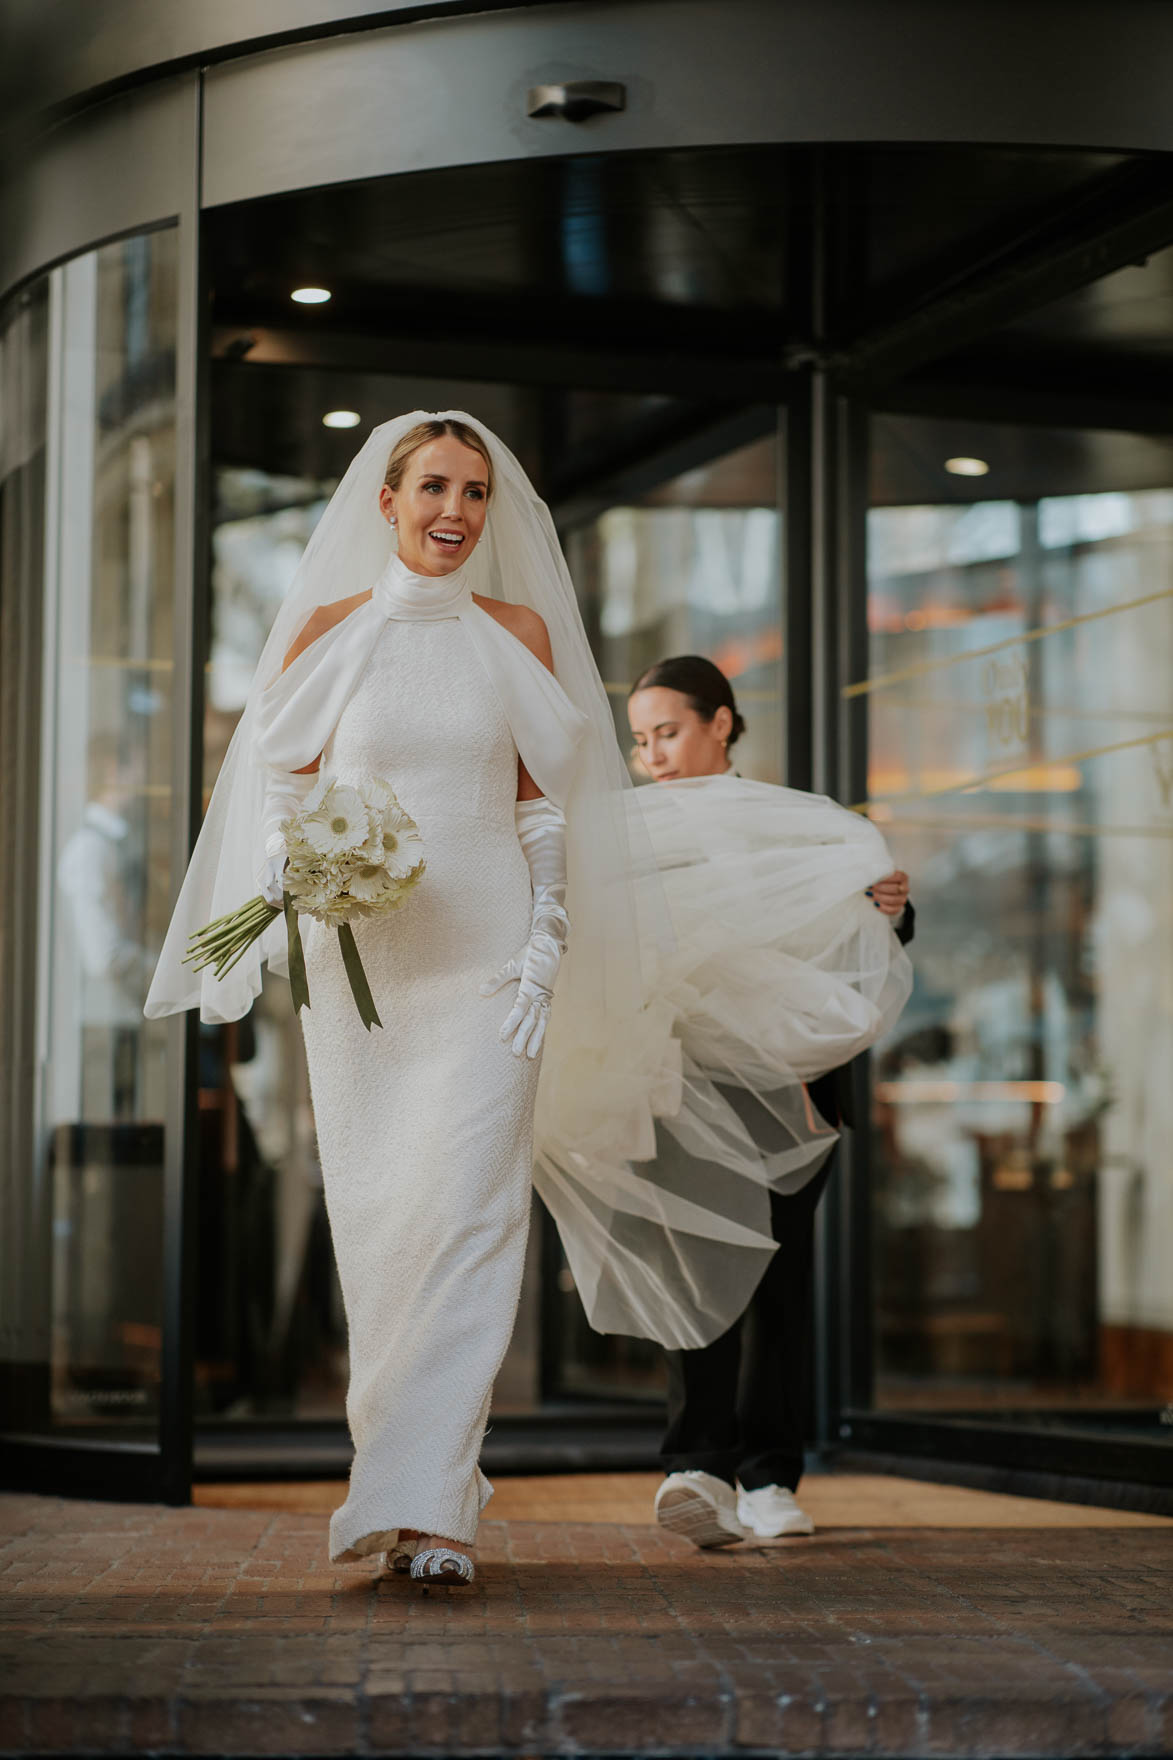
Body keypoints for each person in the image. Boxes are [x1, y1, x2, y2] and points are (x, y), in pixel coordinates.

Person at [146, 412, 653, 1586]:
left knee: (472, 1212)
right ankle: (413, 1471)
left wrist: (544, 939)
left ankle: (430, 1513)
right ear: (386, 498)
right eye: (435, 485)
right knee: (384, 1225)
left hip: (486, 962)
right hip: (366, 967)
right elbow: (286, 785)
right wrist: (293, 868)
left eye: (476, 491)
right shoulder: (328, 630)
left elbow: (538, 806)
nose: (458, 511)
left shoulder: (515, 632)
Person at [625, 655, 915, 1549]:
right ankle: (695, 1467)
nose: (653, 756)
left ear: (720, 722)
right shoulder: (630, 833)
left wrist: (890, 908)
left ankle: (768, 1476)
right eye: (638, 742)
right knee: (695, 1268)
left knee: (780, 1284)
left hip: (791, 1084)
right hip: (682, 1079)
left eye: (666, 732)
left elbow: (859, 926)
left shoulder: (800, 827)